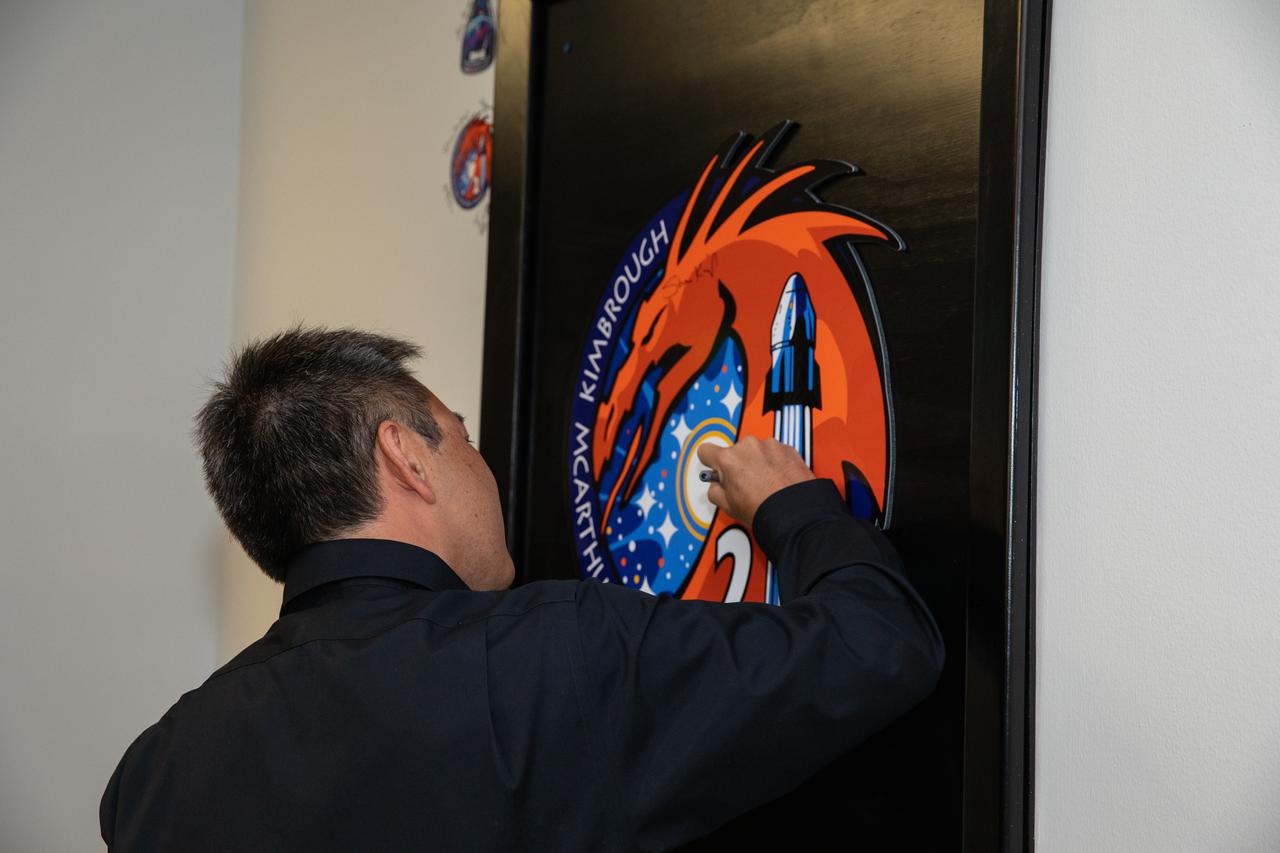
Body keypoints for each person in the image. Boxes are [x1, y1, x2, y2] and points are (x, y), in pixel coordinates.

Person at [100, 326, 943, 852]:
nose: (485, 466)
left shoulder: (152, 778)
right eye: (463, 437)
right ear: (406, 455)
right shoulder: (552, 652)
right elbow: (879, 645)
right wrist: (794, 506)